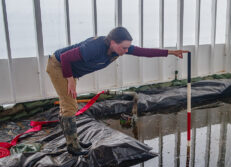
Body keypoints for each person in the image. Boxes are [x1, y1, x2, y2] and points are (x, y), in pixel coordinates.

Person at [46, 26, 188, 156]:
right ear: (113, 42)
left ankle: (73, 141)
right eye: (124, 48)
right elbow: (65, 57)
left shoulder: (116, 49)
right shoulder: (95, 47)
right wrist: (70, 79)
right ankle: (73, 146)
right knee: (69, 105)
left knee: (68, 105)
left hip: (71, 70)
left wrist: (171, 52)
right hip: (58, 66)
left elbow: (143, 51)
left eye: (127, 48)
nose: (126, 51)